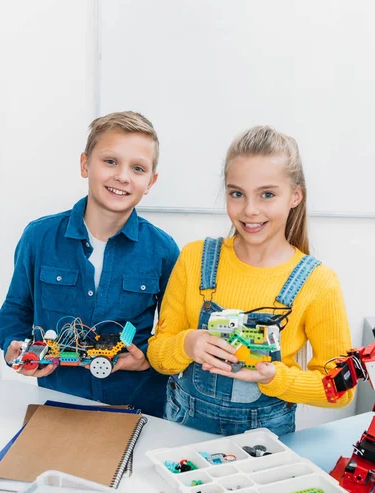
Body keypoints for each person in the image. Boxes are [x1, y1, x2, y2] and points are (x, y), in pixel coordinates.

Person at [147, 125, 353, 435]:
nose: (250, 210)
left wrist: (275, 379)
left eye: (267, 194)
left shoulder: (319, 283)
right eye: (237, 194)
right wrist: (187, 344)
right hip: (183, 434)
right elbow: (158, 354)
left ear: (295, 196)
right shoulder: (193, 258)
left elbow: (341, 389)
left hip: (264, 445)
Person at [0, 111, 179, 417]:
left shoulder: (163, 250)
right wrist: (14, 347)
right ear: (85, 164)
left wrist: (146, 357)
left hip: (139, 409)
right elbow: (15, 312)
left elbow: (173, 330)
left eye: (137, 168)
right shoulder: (39, 238)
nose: (122, 176)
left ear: (150, 181)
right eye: (110, 161)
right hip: (60, 406)